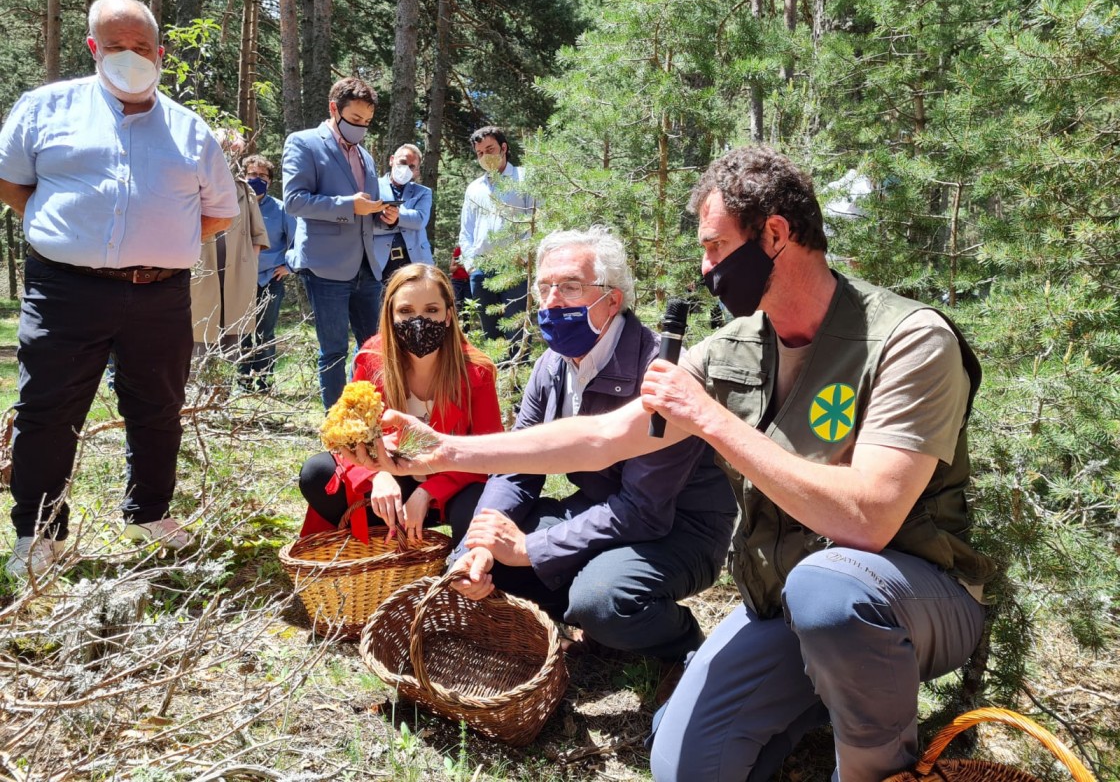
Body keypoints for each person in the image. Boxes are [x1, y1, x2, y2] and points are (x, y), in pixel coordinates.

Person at [361, 146, 997, 781]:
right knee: (681, 762)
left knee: (829, 588)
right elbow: (604, 437)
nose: (705, 268)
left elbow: (870, 518)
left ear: (775, 234)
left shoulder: (908, 340)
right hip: (785, 598)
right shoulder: (734, 348)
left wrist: (710, 419)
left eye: (716, 248)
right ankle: (815, 698)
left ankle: (877, 768)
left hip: (910, 595)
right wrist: (447, 452)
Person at [0, 0, 239, 577]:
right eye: (115, 46)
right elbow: (13, 187)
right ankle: (37, 532)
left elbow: (218, 213)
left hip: (159, 295)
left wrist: (151, 245)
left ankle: (150, 514)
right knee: (48, 409)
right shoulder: (44, 109)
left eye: (141, 47)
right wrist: (78, 239)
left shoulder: (189, 129)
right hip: (65, 290)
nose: (129, 57)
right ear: (92, 48)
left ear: (159, 52)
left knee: (158, 407)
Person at [450, 227, 736, 664]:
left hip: (683, 528)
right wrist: (479, 549)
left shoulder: (659, 371)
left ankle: (685, 651)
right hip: (604, 509)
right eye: (544, 288)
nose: (551, 302)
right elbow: (516, 465)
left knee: (601, 600)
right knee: (483, 546)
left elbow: (643, 510)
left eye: (569, 287)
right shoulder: (551, 366)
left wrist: (531, 549)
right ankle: (586, 621)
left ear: (612, 300)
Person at [298, 264, 504, 545]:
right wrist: (378, 474)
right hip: (393, 475)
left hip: (453, 483)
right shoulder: (371, 359)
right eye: (406, 311)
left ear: (448, 316)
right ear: (390, 315)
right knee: (318, 473)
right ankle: (382, 550)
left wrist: (429, 491)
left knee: (478, 505)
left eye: (431, 310)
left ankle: (462, 566)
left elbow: (486, 452)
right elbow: (351, 439)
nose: (419, 321)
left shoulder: (476, 371)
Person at [282, 77, 391, 409]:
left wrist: (379, 214)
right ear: (334, 108)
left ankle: (371, 414)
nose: (361, 128)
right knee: (333, 350)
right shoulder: (303, 143)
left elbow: (364, 204)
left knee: (375, 347)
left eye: (367, 123)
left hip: (367, 265)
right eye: (356, 120)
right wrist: (348, 205)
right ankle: (336, 424)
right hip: (325, 264)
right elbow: (295, 201)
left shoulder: (365, 156)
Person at [191, 128, 269, 354]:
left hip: (236, 278)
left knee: (232, 342)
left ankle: (222, 390)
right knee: (200, 338)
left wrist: (249, 269)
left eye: (236, 152)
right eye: (226, 150)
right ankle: (197, 390)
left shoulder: (246, 190)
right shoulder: (192, 183)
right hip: (202, 274)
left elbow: (258, 235)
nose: (230, 156)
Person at [457, 126, 536, 345]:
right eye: (480, 153)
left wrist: (523, 257)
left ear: (503, 147)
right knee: (492, 337)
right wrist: (472, 264)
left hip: (515, 268)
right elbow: (466, 231)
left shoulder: (524, 178)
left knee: (517, 334)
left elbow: (535, 219)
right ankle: (496, 378)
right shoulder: (474, 188)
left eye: (489, 149)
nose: (485, 156)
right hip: (482, 271)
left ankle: (517, 378)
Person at [239, 153, 297, 392]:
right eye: (252, 174)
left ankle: (264, 381)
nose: (257, 179)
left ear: (270, 180)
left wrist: (289, 266)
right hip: (239, 279)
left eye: (262, 175)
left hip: (269, 278)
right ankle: (242, 382)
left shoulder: (281, 209)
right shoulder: (234, 205)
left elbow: (298, 240)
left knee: (265, 331)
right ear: (243, 176)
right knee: (240, 332)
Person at [373, 143, 434, 284]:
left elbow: (420, 220)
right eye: (402, 162)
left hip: (415, 260)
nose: (406, 169)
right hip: (380, 262)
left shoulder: (423, 192)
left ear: (417, 171)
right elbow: (367, 225)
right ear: (392, 160)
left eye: (412, 166)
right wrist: (406, 221)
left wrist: (396, 217)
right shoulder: (373, 187)